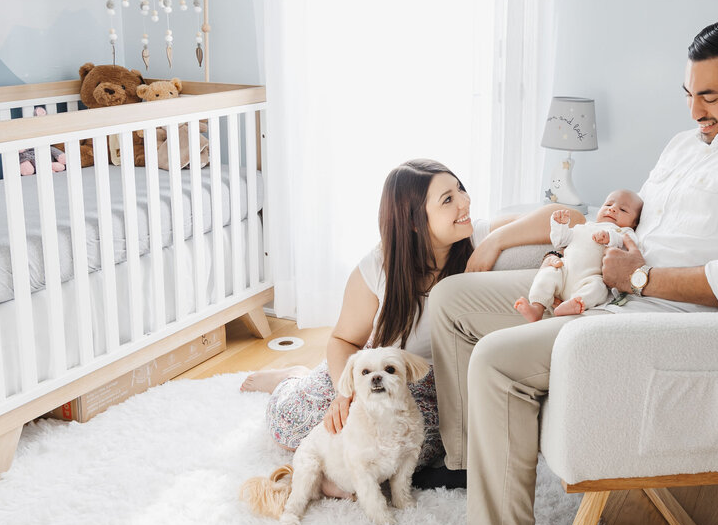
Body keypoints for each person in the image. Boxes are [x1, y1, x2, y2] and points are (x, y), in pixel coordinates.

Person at [419, 18, 718, 525]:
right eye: (689, 94)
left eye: (709, 97)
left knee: (497, 359)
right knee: (452, 301)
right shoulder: (687, 143)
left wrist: (643, 277)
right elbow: (661, 217)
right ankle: (465, 461)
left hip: (661, 318)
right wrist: (616, 223)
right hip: (610, 278)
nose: (694, 111)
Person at [239, 158, 568, 494]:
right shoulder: (377, 268)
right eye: (448, 199)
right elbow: (342, 339)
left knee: (392, 459)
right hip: (370, 370)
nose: (464, 202)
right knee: (290, 426)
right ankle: (290, 378)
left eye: (461, 190)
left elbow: (569, 217)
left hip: (427, 386)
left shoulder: (477, 235)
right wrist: (345, 393)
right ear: (413, 222)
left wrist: (493, 243)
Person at [513, 189, 643, 322]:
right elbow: (560, 242)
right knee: (547, 273)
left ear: (634, 223)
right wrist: (560, 225)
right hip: (564, 272)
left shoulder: (623, 232)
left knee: (598, 289)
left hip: (590, 278)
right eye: (608, 205)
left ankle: (574, 303)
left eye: (623, 209)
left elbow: (629, 244)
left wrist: (610, 237)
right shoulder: (584, 227)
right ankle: (536, 307)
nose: (613, 209)